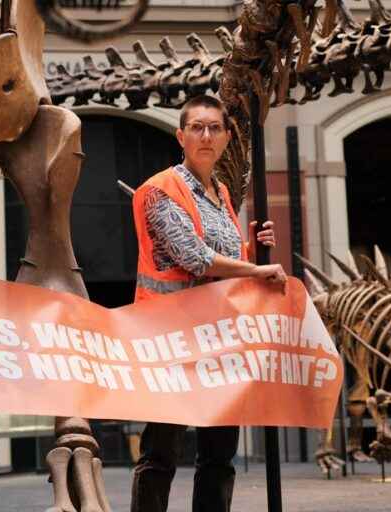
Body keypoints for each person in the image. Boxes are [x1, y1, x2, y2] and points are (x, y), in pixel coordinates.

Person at [129, 94, 287, 512]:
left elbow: (224, 262)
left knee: (219, 456)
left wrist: (252, 250)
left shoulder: (220, 194)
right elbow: (193, 257)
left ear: (226, 137)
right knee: (161, 454)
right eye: (197, 127)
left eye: (215, 127)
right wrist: (256, 271)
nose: (206, 135)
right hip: (172, 343)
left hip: (219, 341)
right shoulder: (159, 190)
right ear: (181, 136)